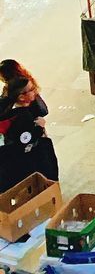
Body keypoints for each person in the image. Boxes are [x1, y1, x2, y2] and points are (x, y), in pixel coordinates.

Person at [0, 62, 57, 190]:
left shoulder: (7, 105)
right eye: (31, 90)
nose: (35, 92)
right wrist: (39, 127)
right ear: (21, 97)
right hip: (26, 157)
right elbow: (26, 140)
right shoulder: (23, 116)